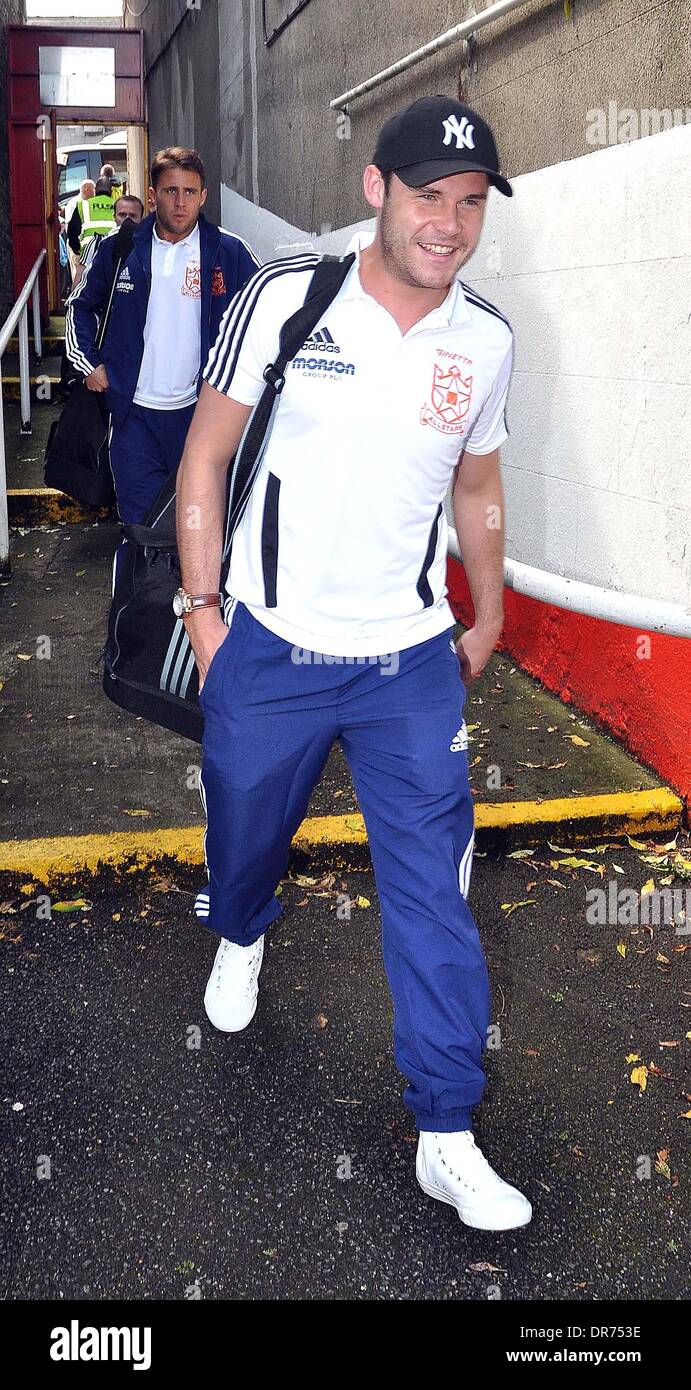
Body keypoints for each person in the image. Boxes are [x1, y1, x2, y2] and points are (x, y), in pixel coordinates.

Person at [175, 95, 532, 1233]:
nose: (450, 225)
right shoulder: (287, 297)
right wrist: (205, 610)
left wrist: (490, 612)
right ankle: (241, 928)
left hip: (410, 661)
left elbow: (475, 488)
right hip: (270, 646)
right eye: (429, 197)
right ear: (375, 189)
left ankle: (446, 1129)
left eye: (471, 204)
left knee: (435, 891)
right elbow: (205, 457)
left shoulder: (482, 339)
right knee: (242, 833)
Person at [65, 147, 259, 523]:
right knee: (140, 529)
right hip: (133, 416)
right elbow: (78, 305)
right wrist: (89, 363)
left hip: (201, 417)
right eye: (171, 191)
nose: (181, 202)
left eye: (190, 192)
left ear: (203, 196)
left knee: (200, 525)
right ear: (153, 196)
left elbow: (270, 312)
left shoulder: (228, 252)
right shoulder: (118, 249)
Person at [71, 193, 144, 290]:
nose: (127, 220)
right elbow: (78, 284)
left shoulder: (148, 246)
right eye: (122, 215)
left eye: (132, 216)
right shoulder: (97, 243)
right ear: (114, 216)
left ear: (141, 218)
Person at [67, 176, 116, 258]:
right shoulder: (118, 205)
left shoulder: (83, 205)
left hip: (88, 254)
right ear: (111, 191)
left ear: (95, 190)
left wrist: (78, 250)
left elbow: (72, 232)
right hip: (113, 253)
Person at [64, 178, 94, 282]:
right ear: (86, 189)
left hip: (84, 246)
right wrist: (77, 248)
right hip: (77, 247)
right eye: (93, 189)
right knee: (78, 275)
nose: (95, 192)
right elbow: (71, 228)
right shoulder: (76, 203)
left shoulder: (85, 203)